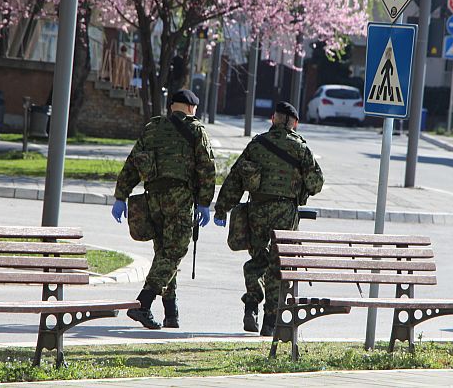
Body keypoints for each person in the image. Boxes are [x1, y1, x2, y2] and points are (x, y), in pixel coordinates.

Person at [213, 101, 324, 336]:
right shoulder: (300, 148)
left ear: (273, 118)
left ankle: (251, 306)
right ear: (295, 123)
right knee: (278, 265)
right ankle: (270, 320)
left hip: (258, 210)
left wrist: (222, 208)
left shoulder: (257, 144)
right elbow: (316, 184)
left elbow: (235, 179)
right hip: (285, 213)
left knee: (258, 259)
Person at [112, 89, 216, 329]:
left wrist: (121, 195)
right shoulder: (196, 130)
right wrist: (204, 202)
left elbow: (132, 163)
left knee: (163, 253)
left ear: (172, 107)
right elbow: (206, 168)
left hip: (153, 199)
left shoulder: (153, 128)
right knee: (173, 252)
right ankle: (143, 304)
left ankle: (171, 312)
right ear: (191, 108)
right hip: (179, 199)